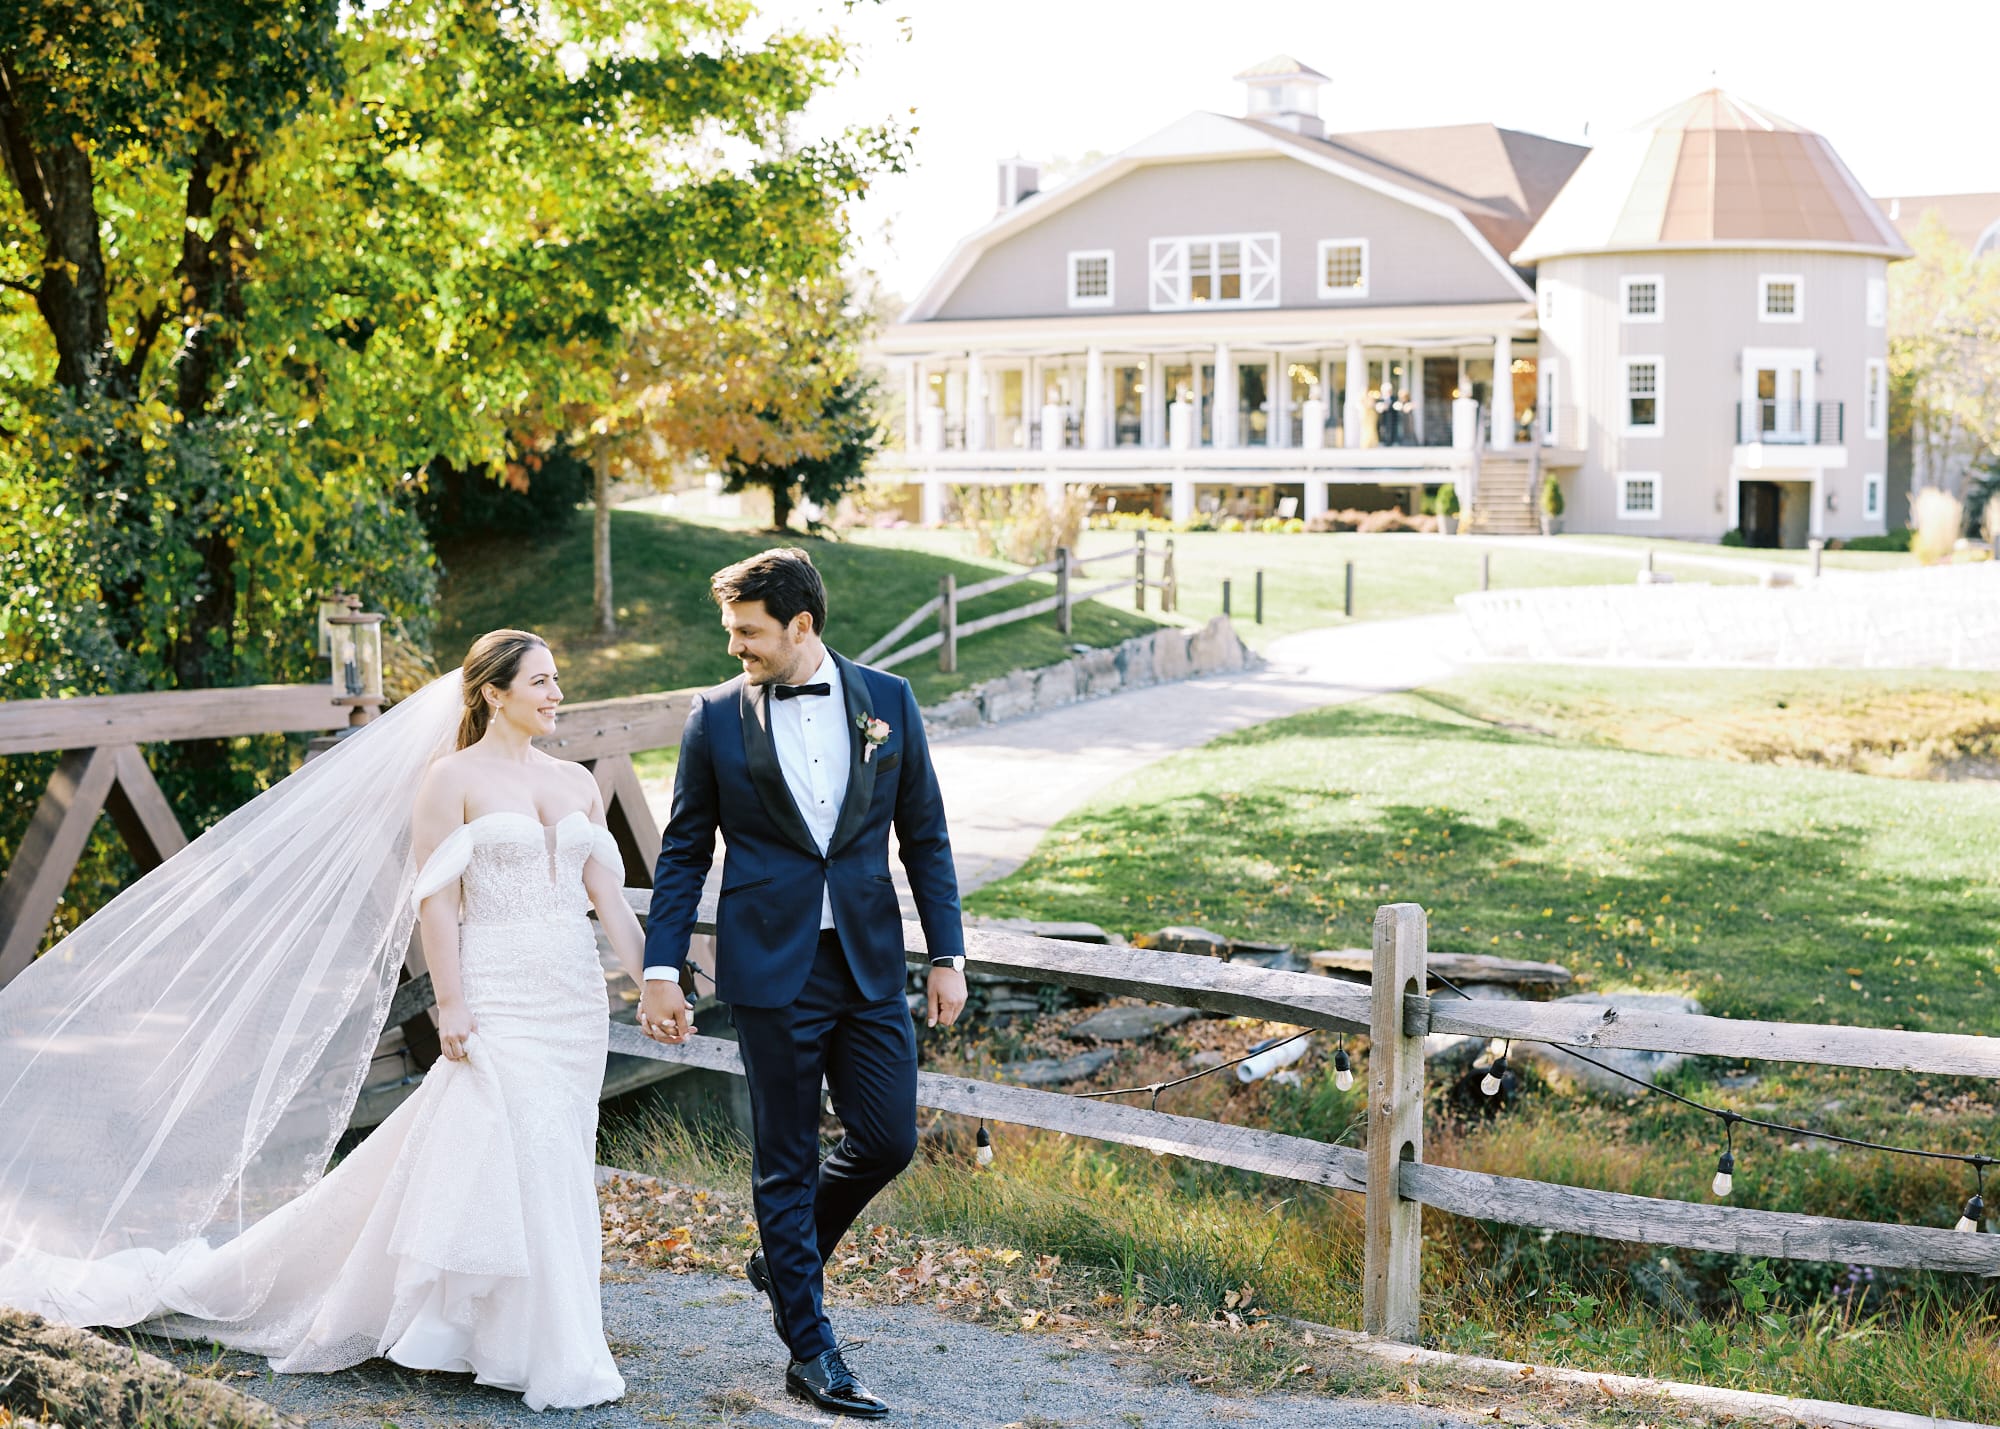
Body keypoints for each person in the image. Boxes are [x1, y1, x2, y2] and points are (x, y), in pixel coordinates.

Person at [0, 630, 668, 1412]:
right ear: (495, 692)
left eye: (558, 681)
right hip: (497, 992)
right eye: (543, 681)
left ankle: (505, 1332)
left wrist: (654, 980)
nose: (558, 694)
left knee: (551, 1154)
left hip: (571, 998)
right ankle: (544, 1348)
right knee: (508, 1139)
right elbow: (437, 904)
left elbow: (610, 900)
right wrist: (451, 1003)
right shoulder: (450, 779)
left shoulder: (578, 785)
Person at [641, 547, 966, 1419]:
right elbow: (683, 851)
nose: (736, 646)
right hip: (769, 965)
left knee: (889, 1136)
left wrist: (947, 953)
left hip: (866, 960)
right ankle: (812, 1350)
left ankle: (784, 1260)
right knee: (782, 1157)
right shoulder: (713, 717)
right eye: (731, 630)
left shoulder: (889, 702)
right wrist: (661, 968)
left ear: (801, 625)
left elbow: (925, 835)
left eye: (749, 632)